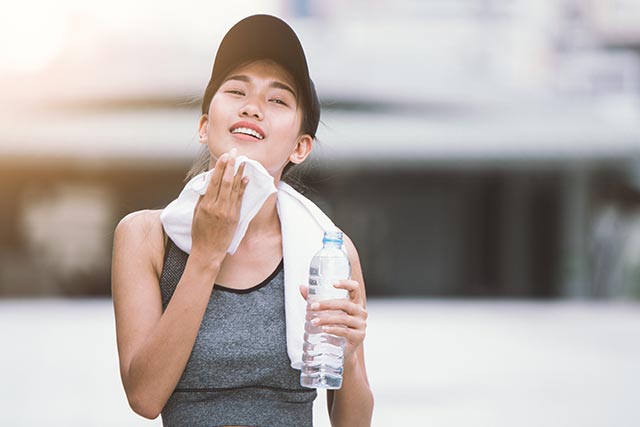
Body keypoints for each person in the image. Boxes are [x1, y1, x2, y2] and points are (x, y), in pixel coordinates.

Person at [111, 14, 373, 427]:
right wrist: (206, 254)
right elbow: (144, 397)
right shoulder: (145, 237)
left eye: (278, 100)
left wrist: (352, 358)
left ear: (300, 146)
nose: (252, 107)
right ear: (203, 125)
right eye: (236, 90)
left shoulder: (327, 250)